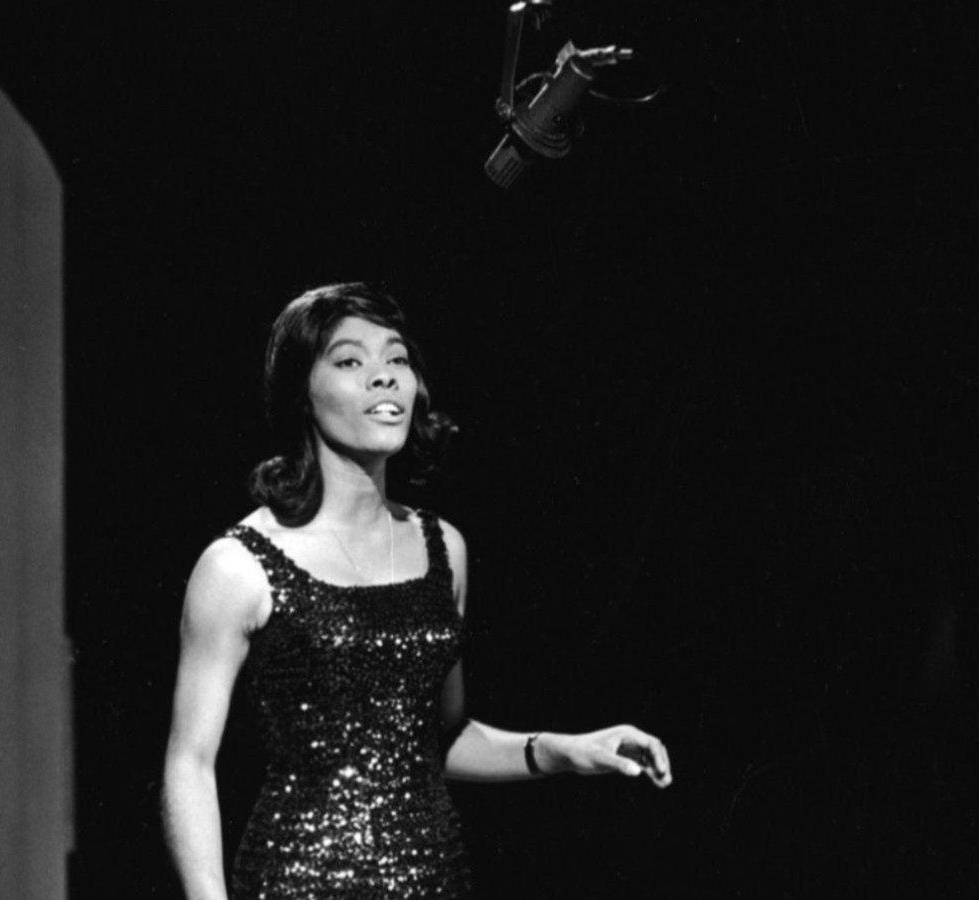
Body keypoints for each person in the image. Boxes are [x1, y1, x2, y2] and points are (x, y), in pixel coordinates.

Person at [162, 283, 673, 899]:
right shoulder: (237, 567)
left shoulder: (443, 550)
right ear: (302, 393)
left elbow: (440, 739)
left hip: (435, 877)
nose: (383, 378)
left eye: (397, 359)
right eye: (351, 361)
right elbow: (189, 763)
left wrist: (565, 750)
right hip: (297, 883)